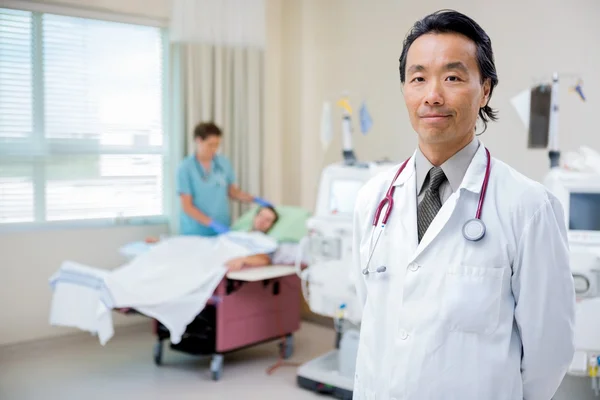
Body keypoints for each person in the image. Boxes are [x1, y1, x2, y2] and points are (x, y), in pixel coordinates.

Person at [351, 9, 575, 400]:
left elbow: (549, 354)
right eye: (417, 78)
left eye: (452, 77)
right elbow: (370, 313)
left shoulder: (529, 207)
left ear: (485, 89)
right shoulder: (373, 200)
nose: (432, 95)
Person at [177, 121, 272, 236]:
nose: (214, 149)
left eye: (217, 145)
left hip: (222, 224)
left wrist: (254, 199)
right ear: (198, 141)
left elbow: (232, 192)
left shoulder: (223, 163)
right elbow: (187, 206)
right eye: (210, 145)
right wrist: (211, 223)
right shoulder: (186, 168)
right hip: (195, 229)